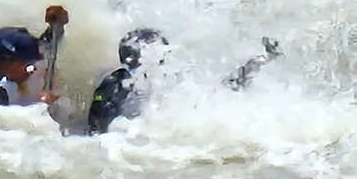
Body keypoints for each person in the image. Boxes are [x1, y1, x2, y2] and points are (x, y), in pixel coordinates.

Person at [87, 30, 281, 135]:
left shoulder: (168, 78)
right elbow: (98, 118)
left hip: (161, 137)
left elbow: (210, 96)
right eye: (160, 49)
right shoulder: (118, 81)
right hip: (135, 141)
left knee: (222, 91)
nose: (166, 54)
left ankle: (257, 63)